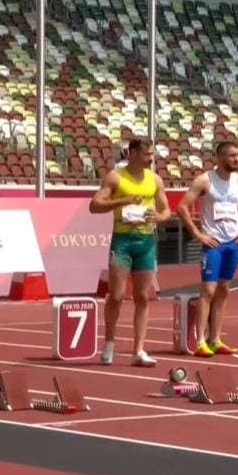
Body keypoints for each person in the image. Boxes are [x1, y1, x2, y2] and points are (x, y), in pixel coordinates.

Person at [89, 138, 171, 367]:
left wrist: (159, 217)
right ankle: (109, 343)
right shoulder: (115, 177)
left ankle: (139, 350)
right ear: (133, 153)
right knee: (116, 295)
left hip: (145, 241)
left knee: (143, 297)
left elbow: (166, 211)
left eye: (152, 154)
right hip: (122, 241)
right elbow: (94, 205)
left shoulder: (154, 180)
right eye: (147, 154)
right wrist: (123, 201)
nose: (151, 158)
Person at [175, 141, 238, 357]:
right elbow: (182, 207)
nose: (236, 160)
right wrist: (197, 233)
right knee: (208, 290)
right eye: (231, 156)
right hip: (214, 244)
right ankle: (200, 340)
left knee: (224, 290)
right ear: (219, 158)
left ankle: (216, 339)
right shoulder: (204, 180)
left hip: (233, 242)